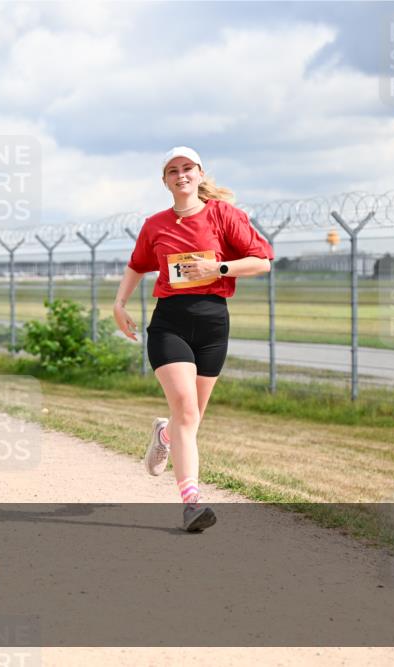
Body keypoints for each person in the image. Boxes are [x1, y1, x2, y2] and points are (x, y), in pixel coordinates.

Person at [113, 147, 273, 532]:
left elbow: (262, 261)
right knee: (186, 410)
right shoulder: (155, 225)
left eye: (187, 168)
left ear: (200, 173)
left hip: (214, 323)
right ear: (165, 181)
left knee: (190, 418)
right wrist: (119, 304)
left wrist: (218, 267)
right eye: (173, 170)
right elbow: (137, 265)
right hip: (170, 323)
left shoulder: (224, 215)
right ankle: (192, 504)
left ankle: (164, 434)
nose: (181, 174)